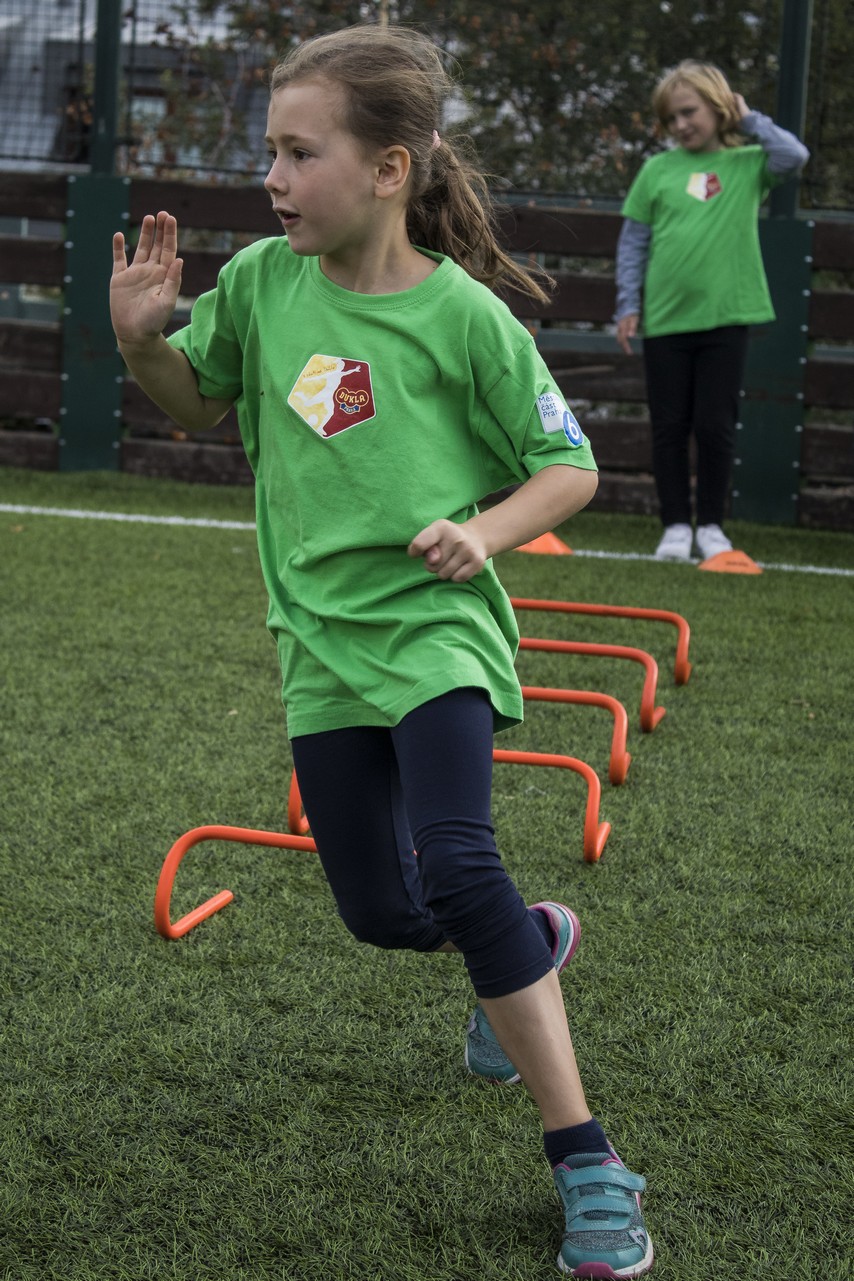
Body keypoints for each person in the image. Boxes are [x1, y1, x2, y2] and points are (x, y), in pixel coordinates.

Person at [110, 24, 652, 1279]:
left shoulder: (463, 317)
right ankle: (531, 940)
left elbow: (567, 465)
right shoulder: (261, 283)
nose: (274, 178)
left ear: (391, 169)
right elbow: (197, 400)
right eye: (271, 153)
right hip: (318, 646)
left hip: (434, 631)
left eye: (301, 154)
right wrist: (142, 342)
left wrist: (483, 533)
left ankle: (587, 1161)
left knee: (458, 863)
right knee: (382, 914)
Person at [615, 60, 809, 562]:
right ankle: (676, 526)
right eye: (670, 118)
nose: (680, 124)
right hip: (665, 322)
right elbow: (633, 243)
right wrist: (628, 303)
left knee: (715, 426)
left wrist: (748, 119)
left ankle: (712, 528)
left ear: (719, 107)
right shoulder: (657, 171)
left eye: (689, 112)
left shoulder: (748, 164)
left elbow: (794, 155)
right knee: (669, 427)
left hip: (727, 319)